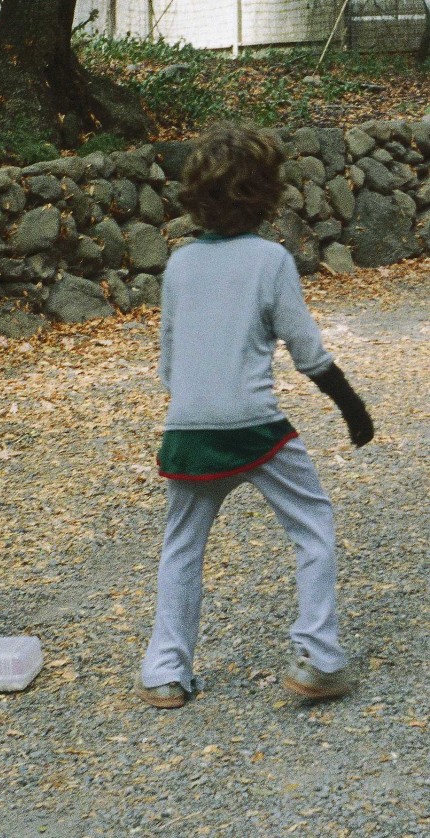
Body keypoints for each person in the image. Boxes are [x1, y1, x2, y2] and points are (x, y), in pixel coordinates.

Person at [135, 123, 373, 710]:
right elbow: (307, 349)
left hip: (186, 428)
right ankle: (318, 657)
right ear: (266, 195)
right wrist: (353, 409)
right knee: (313, 522)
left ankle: (165, 670)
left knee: (182, 545)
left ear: (196, 194)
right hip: (256, 429)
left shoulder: (181, 265)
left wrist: (195, 401)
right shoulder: (271, 260)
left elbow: (168, 363)